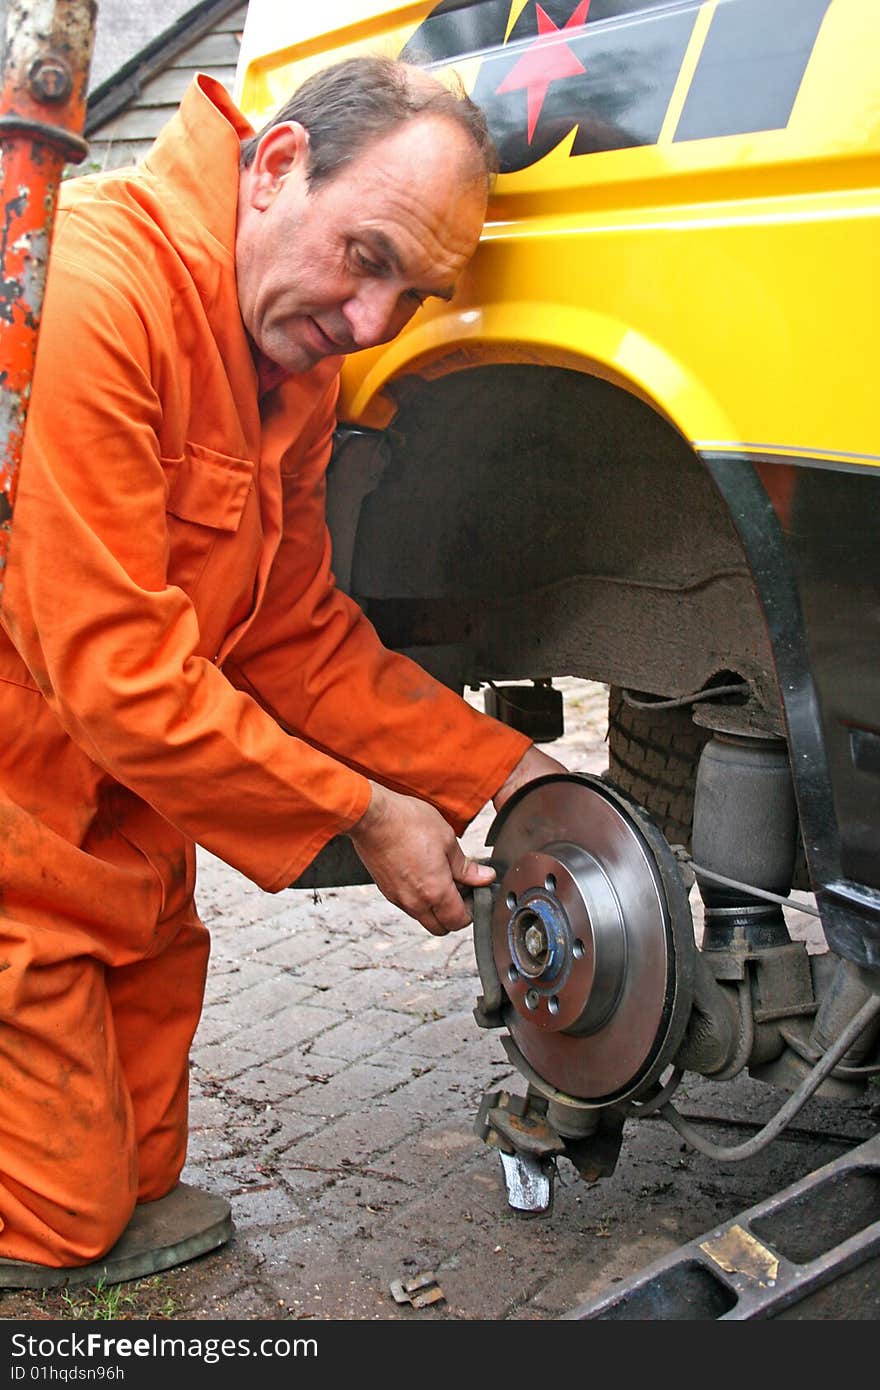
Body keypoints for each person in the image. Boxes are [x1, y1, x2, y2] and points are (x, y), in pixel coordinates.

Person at [0, 54, 566, 1274]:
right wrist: (362, 810)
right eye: (368, 259)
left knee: (143, 1172)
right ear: (275, 166)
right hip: (15, 813)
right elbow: (118, 673)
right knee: (60, 1222)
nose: (370, 326)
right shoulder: (92, 287)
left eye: (413, 296)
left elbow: (287, 627)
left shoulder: (291, 363)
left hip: (116, 825)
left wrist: (501, 774)